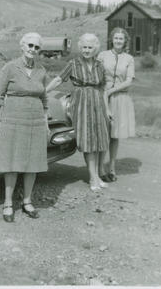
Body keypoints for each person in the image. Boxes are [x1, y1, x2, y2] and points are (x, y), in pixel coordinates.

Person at [0, 32, 50, 222]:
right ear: (22, 46)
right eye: (30, 45)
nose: (33, 49)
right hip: (13, 120)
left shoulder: (41, 70)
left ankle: (27, 201)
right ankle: (8, 203)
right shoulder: (9, 68)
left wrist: (46, 121)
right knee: (12, 162)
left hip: (35, 121)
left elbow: (44, 98)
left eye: (37, 47)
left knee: (32, 162)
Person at [46, 33, 110, 191]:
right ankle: (93, 178)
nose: (87, 50)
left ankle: (96, 175)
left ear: (95, 49)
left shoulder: (99, 65)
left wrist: (107, 109)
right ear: (80, 48)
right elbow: (59, 79)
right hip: (81, 103)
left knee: (98, 141)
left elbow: (103, 88)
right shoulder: (73, 63)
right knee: (88, 140)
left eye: (90, 47)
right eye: (84, 47)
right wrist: (44, 91)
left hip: (97, 103)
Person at [98, 27, 135, 182]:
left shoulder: (129, 58)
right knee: (103, 134)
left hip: (119, 98)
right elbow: (96, 75)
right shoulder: (102, 56)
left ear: (125, 41)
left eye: (121, 38)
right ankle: (100, 168)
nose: (118, 41)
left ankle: (112, 167)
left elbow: (129, 80)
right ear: (111, 40)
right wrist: (103, 91)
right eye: (116, 38)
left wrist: (111, 90)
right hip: (102, 97)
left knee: (115, 136)